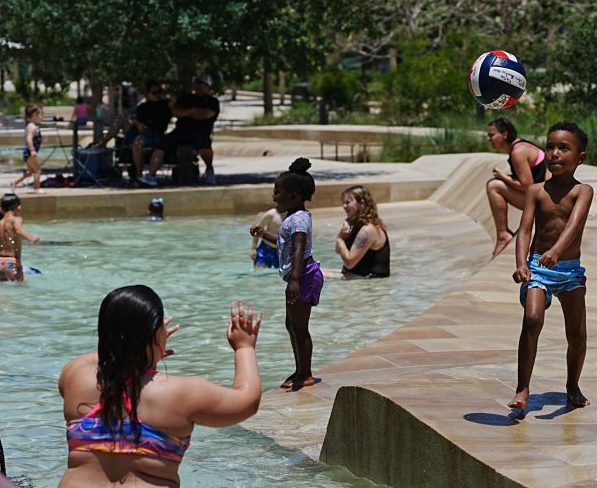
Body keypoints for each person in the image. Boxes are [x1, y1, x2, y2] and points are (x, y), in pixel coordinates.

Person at [57, 285, 261, 487]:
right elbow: (247, 401)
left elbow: (101, 360)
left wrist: (137, 351)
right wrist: (244, 347)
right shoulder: (181, 393)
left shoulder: (74, 376)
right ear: (155, 334)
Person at [509, 122, 594, 412]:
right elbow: (524, 231)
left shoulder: (583, 191)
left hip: (569, 270)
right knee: (532, 319)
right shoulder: (536, 191)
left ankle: (572, 384)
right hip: (538, 268)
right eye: (550, 147)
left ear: (580, 157)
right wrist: (521, 264)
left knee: (577, 334)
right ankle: (523, 387)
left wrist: (557, 251)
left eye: (564, 148)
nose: (555, 153)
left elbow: (574, 225)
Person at [249, 157, 322, 390]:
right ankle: (300, 369)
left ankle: (306, 374)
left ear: (294, 195)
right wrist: (263, 234)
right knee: (291, 325)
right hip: (300, 276)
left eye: (278, 191)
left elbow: (299, 250)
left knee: (299, 327)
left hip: (304, 276)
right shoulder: (293, 218)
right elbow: (284, 243)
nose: (274, 196)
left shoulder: (298, 219)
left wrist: (294, 281)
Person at [141, 75, 220, 187]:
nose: (198, 86)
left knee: (205, 146)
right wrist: (193, 111)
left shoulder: (212, 101)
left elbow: (207, 114)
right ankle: (151, 175)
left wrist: (188, 112)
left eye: (201, 84)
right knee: (162, 144)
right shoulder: (187, 98)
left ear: (208, 87)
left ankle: (209, 170)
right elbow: (177, 112)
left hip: (200, 132)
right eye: (197, 83)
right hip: (181, 132)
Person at [485, 117, 546, 257]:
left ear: (505, 134)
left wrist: (503, 177)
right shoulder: (520, 147)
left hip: (542, 203)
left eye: (492, 135)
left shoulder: (518, 152)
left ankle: (503, 235)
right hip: (541, 197)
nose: (489, 139)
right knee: (496, 183)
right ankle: (503, 234)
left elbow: (527, 186)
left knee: (494, 186)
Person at [335, 185, 391, 279]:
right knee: (312, 270)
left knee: (312, 274)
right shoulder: (357, 225)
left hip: (370, 282)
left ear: (361, 203)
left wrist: (340, 239)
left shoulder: (368, 230)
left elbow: (349, 263)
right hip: (359, 277)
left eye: (348, 202)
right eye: (343, 202)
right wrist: (342, 234)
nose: (344, 206)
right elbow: (337, 250)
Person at [125, 82, 172, 183]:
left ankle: (145, 175)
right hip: (143, 134)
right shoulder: (143, 107)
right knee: (137, 142)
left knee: (140, 142)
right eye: (154, 92)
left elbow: (174, 102)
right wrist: (138, 124)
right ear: (148, 94)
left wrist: (168, 90)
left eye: (159, 92)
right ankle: (139, 175)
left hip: (157, 134)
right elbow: (133, 118)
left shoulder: (165, 105)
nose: (157, 95)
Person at [10, 105, 45, 194]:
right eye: (40, 115)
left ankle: (14, 182)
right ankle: (36, 188)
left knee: (30, 172)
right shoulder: (32, 127)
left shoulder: (31, 126)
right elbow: (29, 139)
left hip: (27, 153)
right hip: (30, 152)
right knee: (37, 170)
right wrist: (33, 150)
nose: (42, 117)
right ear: (34, 115)